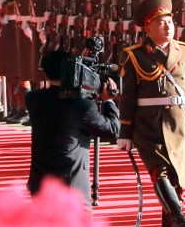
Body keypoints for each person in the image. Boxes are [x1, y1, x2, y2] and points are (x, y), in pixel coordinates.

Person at [117, 0, 185, 227]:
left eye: (169, 21)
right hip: (149, 125)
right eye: (160, 23)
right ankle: (178, 215)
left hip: (180, 125)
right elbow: (127, 97)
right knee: (160, 172)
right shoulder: (133, 55)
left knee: (176, 185)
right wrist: (125, 132)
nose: (167, 26)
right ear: (148, 28)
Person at [25, 51, 121, 209]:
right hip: (71, 188)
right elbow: (112, 130)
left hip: (40, 184)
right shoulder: (81, 106)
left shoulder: (33, 99)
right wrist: (109, 101)